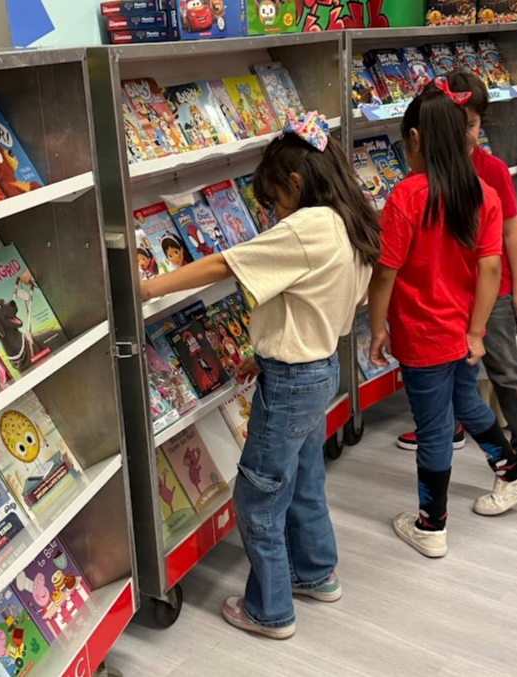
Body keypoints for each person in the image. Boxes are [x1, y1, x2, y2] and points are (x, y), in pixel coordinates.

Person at [140, 111, 379, 639]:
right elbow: (318, 305)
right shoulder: (350, 218)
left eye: (273, 199)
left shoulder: (306, 227)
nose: (273, 212)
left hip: (294, 381)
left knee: (258, 495)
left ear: (295, 183)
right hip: (320, 368)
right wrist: (266, 349)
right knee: (305, 478)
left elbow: (226, 264)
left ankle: (269, 609)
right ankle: (316, 574)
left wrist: (149, 289)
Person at [368, 78, 517, 559]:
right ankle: (514, 472)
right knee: (467, 402)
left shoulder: (405, 197)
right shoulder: (484, 193)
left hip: (424, 339)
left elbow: (385, 273)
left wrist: (377, 327)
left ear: (417, 140)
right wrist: (476, 332)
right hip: (465, 334)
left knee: (432, 430)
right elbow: (492, 267)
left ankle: (432, 524)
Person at [395, 70, 517, 482]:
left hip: (493, 292)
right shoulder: (419, 180)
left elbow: (510, 234)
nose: (465, 134)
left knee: (505, 368)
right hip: (449, 297)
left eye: (472, 124)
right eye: (456, 124)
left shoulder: (491, 170)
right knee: (455, 376)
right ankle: (450, 429)